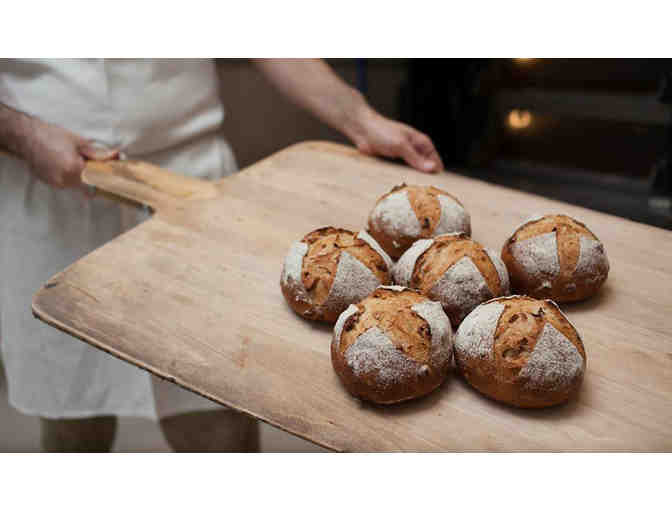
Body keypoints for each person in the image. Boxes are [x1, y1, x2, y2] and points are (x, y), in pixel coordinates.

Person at [0, 59, 444, 452]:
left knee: (218, 425)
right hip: (49, 200)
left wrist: (361, 119)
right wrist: (23, 133)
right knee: (72, 422)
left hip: (192, 180)